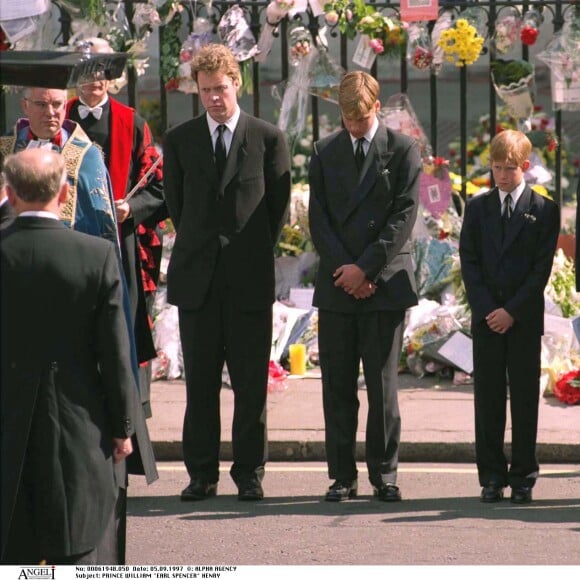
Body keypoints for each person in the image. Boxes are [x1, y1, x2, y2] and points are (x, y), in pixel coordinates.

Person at [0, 85, 158, 562]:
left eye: (56, 103)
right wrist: (121, 423)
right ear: (22, 106)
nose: (50, 112)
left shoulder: (87, 156)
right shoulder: (8, 152)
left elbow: (104, 225)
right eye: (40, 103)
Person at [164, 43, 291, 502]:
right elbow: (178, 206)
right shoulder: (180, 140)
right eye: (206, 91)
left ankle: (249, 474)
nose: (215, 98)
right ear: (196, 91)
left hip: (248, 279)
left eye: (221, 88)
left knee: (250, 386)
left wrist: (246, 251)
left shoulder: (268, 138)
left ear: (237, 83)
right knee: (199, 386)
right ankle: (201, 474)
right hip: (198, 281)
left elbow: (277, 210)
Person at [308, 71, 421, 502]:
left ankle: (384, 473)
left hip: (384, 282)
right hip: (340, 283)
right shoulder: (325, 151)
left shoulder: (403, 148)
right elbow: (318, 218)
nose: (354, 126)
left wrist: (367, 270)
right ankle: (341, 475)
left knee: (381, 386)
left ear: (377, 107)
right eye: (347, 118)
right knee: (336, 386)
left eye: (360, 117)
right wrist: (347, 271)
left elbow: (403, 217)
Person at [67, 37, 167, 419]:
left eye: (100, 72)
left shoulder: (132, 122)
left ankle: (130, 404)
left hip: (118, 241)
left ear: (111, 77)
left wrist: (132, 208)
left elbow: (158, 184)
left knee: (122, 318)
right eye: (85, 71)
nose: (93, 80)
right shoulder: (62, 118)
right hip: (71, 239)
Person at [459, 129, 560, 504]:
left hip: (522, 317)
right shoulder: (478, 207)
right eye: (496, 168)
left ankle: (523, 477)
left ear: (525, 167)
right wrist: (488, 310)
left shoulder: (544, 209)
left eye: (509, 169)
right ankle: (491, 476)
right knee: (487, 399)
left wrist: (512, 311)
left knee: (523, 399)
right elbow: (469, 261)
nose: (501, 176)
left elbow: (540, 269)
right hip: (487, 318)